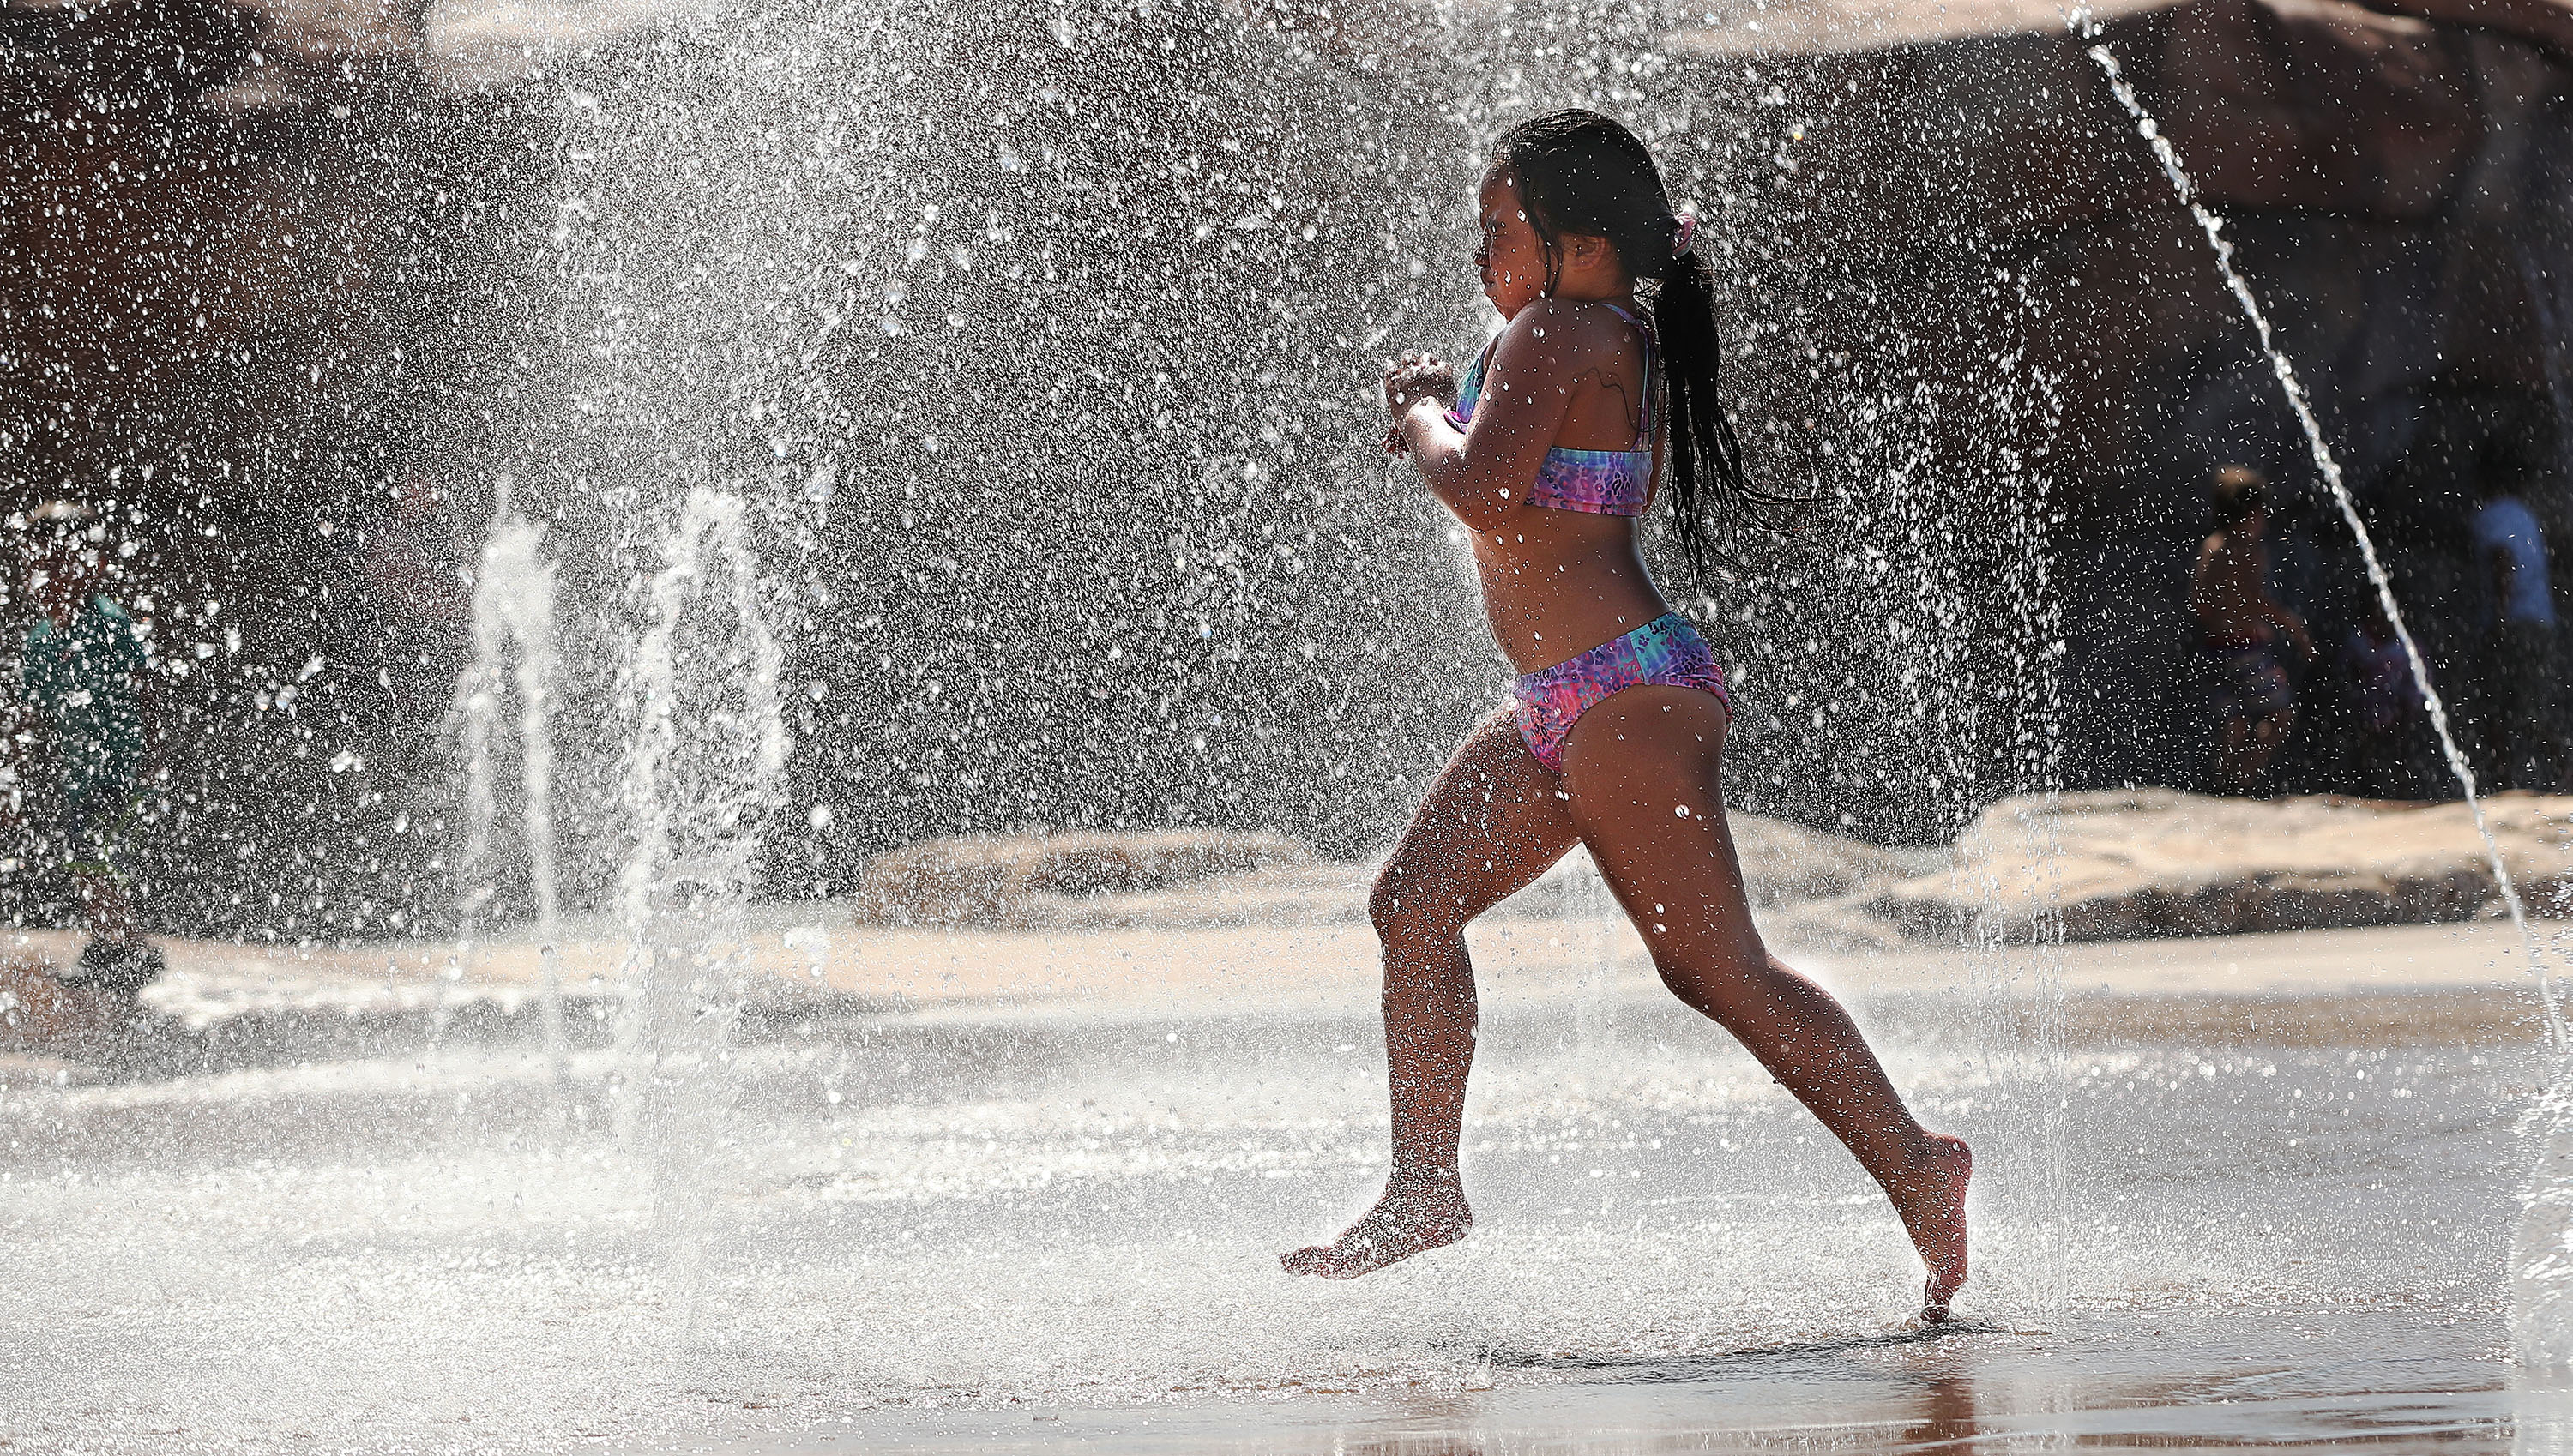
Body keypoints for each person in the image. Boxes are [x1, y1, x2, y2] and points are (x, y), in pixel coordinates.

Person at [1282, 111, 1972, 1321]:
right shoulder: (1592, 330)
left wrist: (1425, 415)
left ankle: (1920, 1161)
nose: (1480, 253)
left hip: (1624, 695)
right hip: (1570, 699)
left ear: (1579, 241)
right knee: (1412, 902)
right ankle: (1423, 1187)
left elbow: (1491, 492)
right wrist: (1448, 411)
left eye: (1498, 230)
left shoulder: (1559, 328)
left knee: (1716, 973)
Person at [6, 501, 162, 996]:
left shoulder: (109, 624)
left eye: (61, 562)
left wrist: (150, 757)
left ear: (90, 565)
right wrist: (23, 766)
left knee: (105, 859)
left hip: (118, 767)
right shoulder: (43, 636)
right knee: (86, 863)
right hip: (76, 772)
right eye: (41, 564)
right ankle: (115, 944)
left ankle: (124, 947)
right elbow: (35, 714)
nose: (51, 575)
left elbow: (145, 690)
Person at [2188, 467, 2311, 795]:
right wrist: (2292, 627)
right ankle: (2243, 778)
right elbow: (2256, 599)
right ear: (2250, 514)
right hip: (2245, 648)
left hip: (2215, 648)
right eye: (2261, 513)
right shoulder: (2247, 550)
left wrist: (2224, 623)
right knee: (2282, 715)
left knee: (2234, 721)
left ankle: (2222, 782)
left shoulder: (2211, 547)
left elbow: (2201, 603)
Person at [2466, 471, 2560, 790]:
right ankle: (2562, 764)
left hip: (2512, 622)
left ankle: (2503, 784)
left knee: (2496, 711)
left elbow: (2502, 559)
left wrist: (2501, 618)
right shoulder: (2525, 515)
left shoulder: (2492, 515)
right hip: (2540, 621)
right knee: (2531, 711)